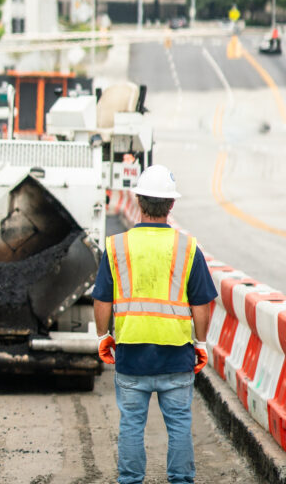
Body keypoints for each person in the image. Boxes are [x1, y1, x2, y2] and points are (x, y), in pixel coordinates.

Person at [92, 165, 217, 484]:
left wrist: (104, 336)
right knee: (179, 424)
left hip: (132, 357)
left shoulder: (116, 246)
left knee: (131, 424)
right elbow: (201, 304)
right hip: (176, 357)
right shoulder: (188, 248)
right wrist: (200, 344)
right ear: (171, 205)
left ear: (138, 201)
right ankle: (180, 480)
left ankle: (131, 481)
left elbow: (102, 300)